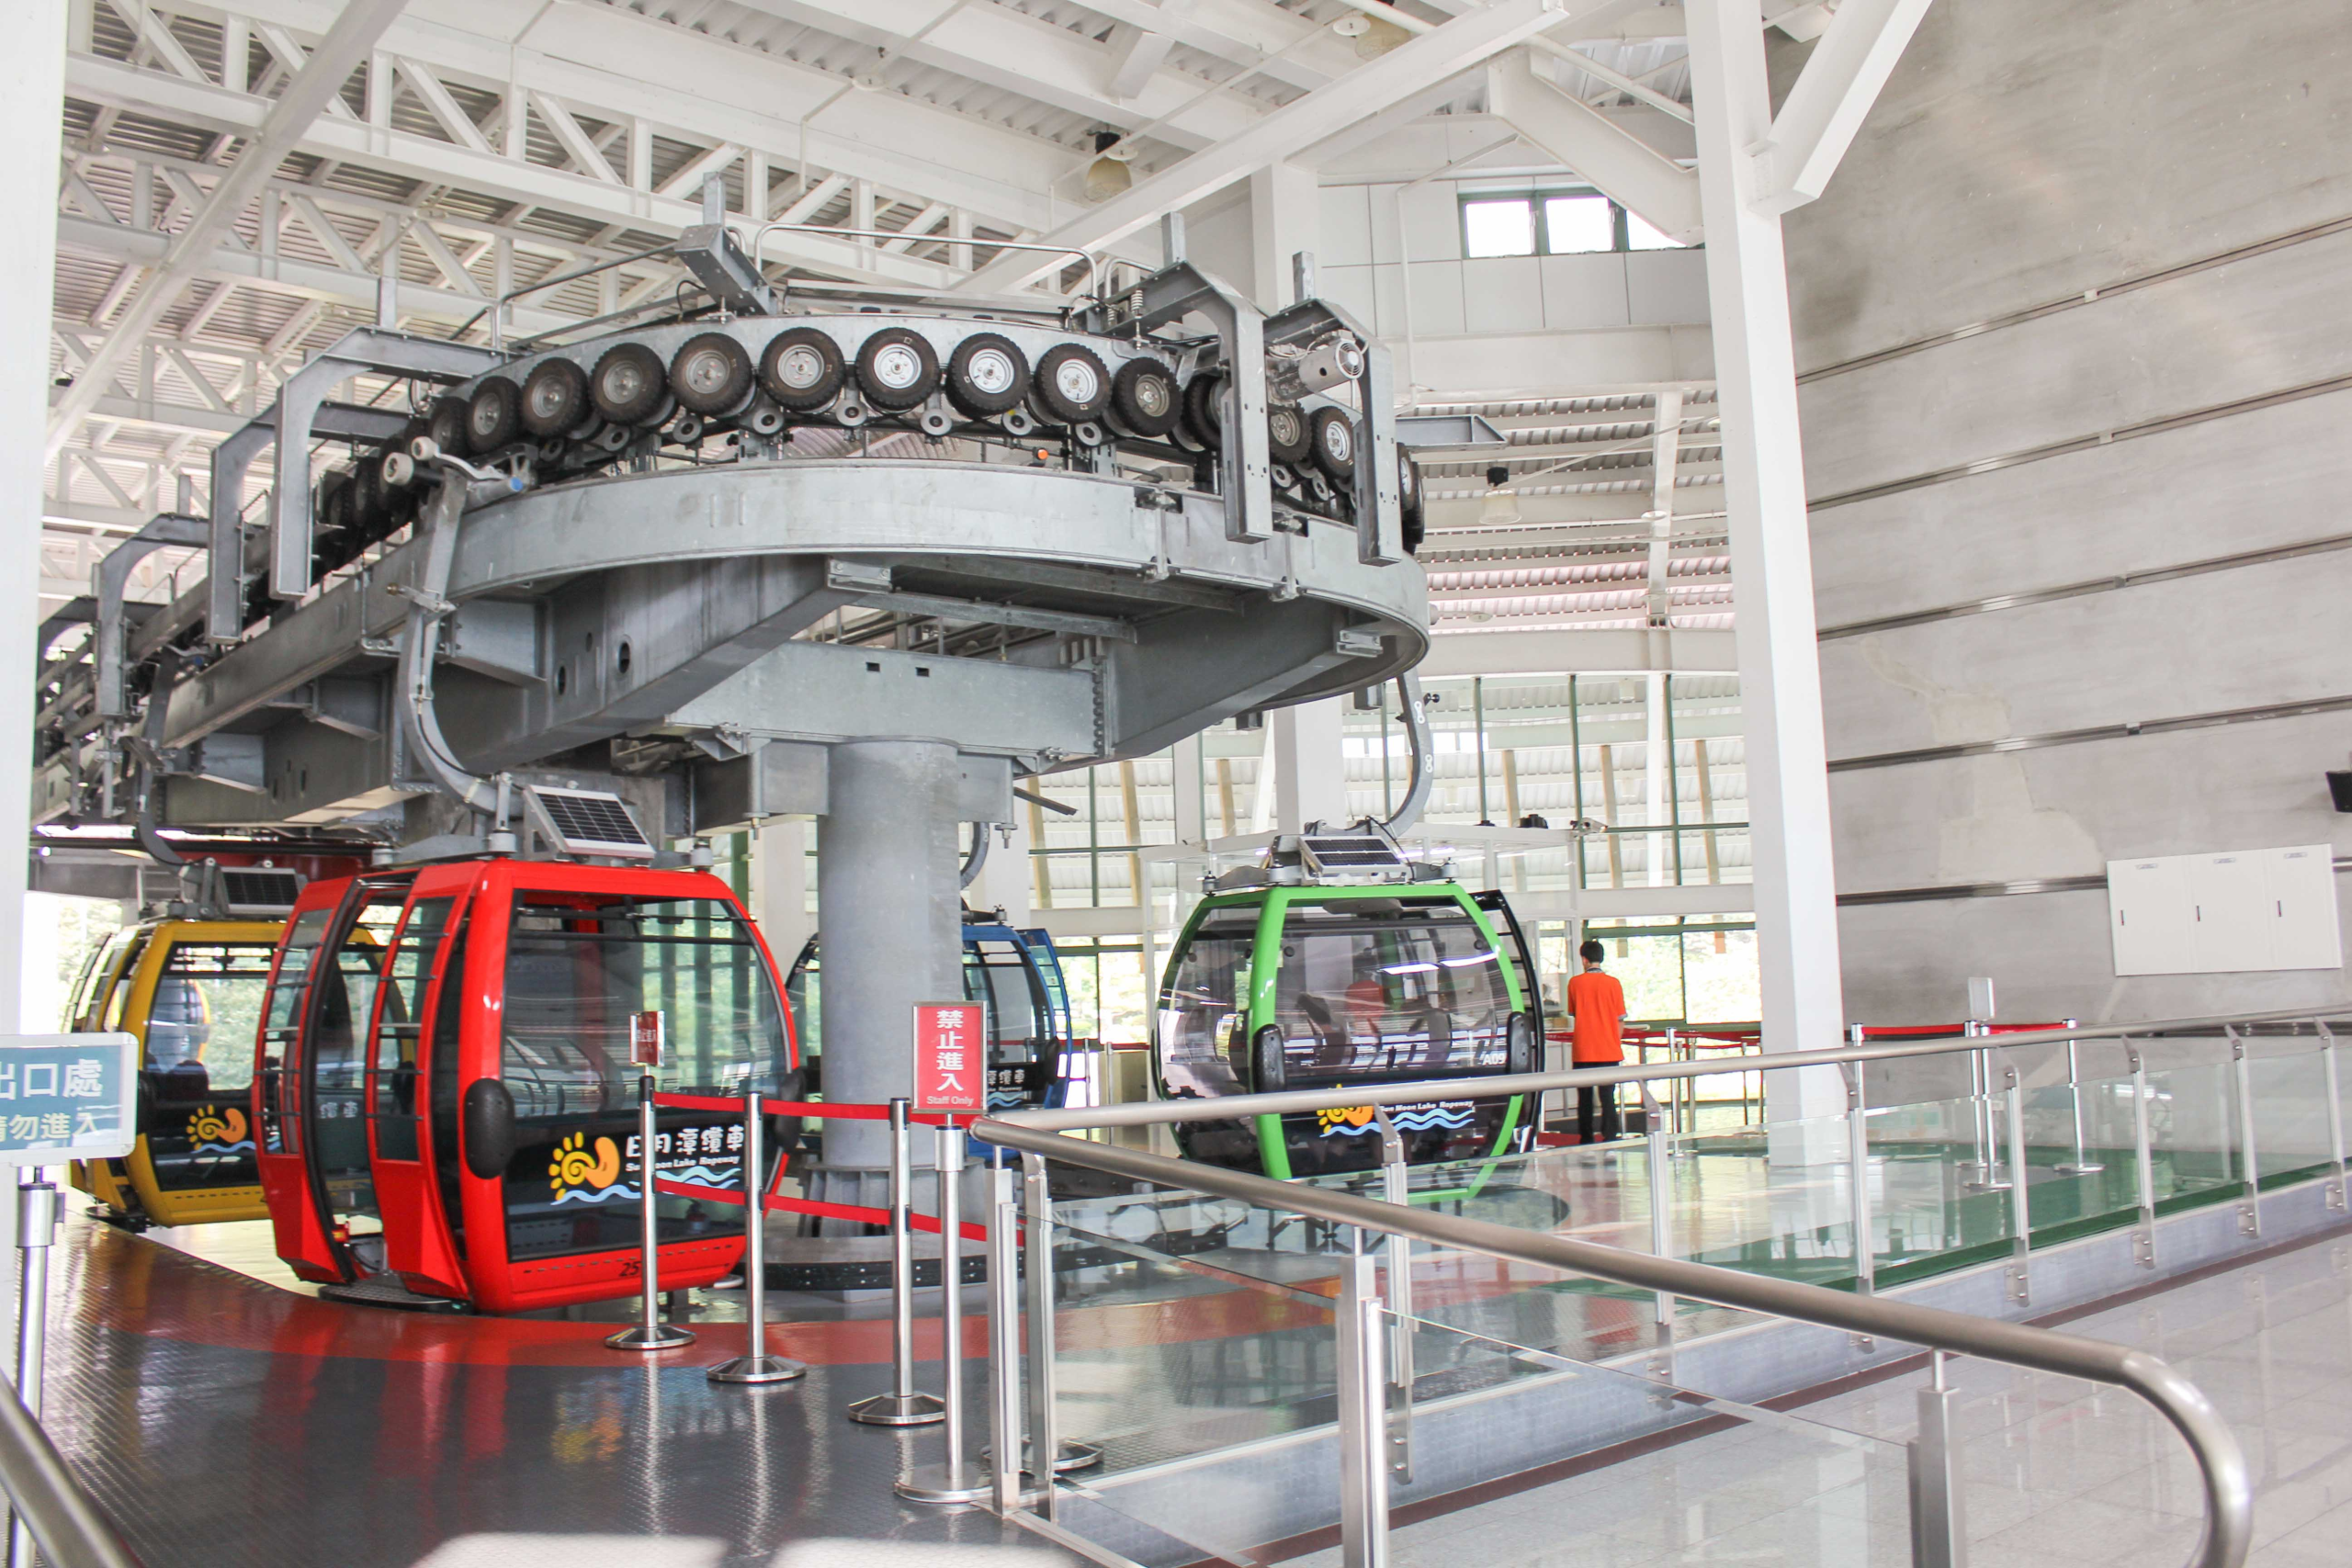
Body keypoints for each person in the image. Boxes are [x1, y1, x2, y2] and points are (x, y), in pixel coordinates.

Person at [1564, 938, 1626, 1145]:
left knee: (1585, 1098)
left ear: (1584, 960)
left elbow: (1574, 1012)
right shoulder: (1614, 983)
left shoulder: (1575, 983)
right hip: (1609, 1049)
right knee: (1608, 1097)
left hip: (1584, 1049)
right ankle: (1610, 1138)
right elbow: (1620, 1019)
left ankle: (1587, 1138)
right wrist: (1613, 1040)